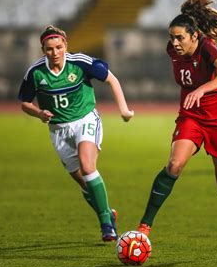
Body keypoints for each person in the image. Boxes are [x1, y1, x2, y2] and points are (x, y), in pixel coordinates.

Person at [137, 0, 217, 236]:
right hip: (191, 115)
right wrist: (194, 93)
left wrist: (202, 89)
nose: (174, 42)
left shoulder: (207, 47)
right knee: (174, 164)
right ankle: (145, 225)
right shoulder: (173, 49)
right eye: (171, 37)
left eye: (180, 37)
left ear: (194, 36)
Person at [18, 25, 134, 241]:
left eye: (58, 47)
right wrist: (39, 113)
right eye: (49, 49)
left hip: (85, 120)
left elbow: (112, 79)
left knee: (87, 166)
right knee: (83, 181)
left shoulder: (80, 62)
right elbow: (24, 102)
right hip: (58, 130)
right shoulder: (35, 73)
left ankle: (105, 224)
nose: (55, 53)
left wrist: (124, 109)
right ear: (43, 50)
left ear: (66, 46)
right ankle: (109, 212)